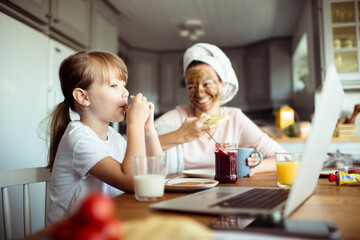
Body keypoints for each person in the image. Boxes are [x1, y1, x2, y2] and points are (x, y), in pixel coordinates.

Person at [46, 51, 162, 224]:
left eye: (124, 85)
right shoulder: (78, 138)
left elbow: (154, 175)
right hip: (75, 233)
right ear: (83, 97)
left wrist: (148, 130)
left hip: (107, 226)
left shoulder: (113, 136)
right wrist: (134, 124)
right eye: (114, 85)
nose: (125, 93)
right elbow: (132, 182)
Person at [155, 43, 285, 175]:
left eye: (207, 84)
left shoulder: (235, 118)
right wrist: (181, 135)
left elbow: (282, 157)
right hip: (186, 189)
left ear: (222, 85)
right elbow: (138, 145)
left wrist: (251, 167)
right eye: (191, 87)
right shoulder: (179, 117)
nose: (199, 93)